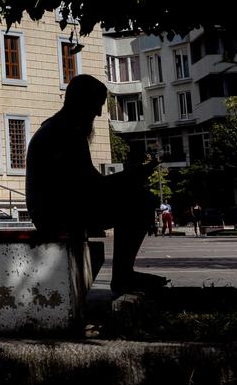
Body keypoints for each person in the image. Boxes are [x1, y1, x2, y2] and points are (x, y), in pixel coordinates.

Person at [25, 74, 168, 294]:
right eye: (96, 106)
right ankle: (123, 276)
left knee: (137, 197)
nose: (99, 113)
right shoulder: (63, 134)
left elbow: (89, 185)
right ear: (81, 103)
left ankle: (124, 274)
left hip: (61, 206)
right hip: (56, 212)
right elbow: (88, 187)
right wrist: (129, 177)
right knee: (141, 201)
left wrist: (128, 178)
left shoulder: (63, 130)